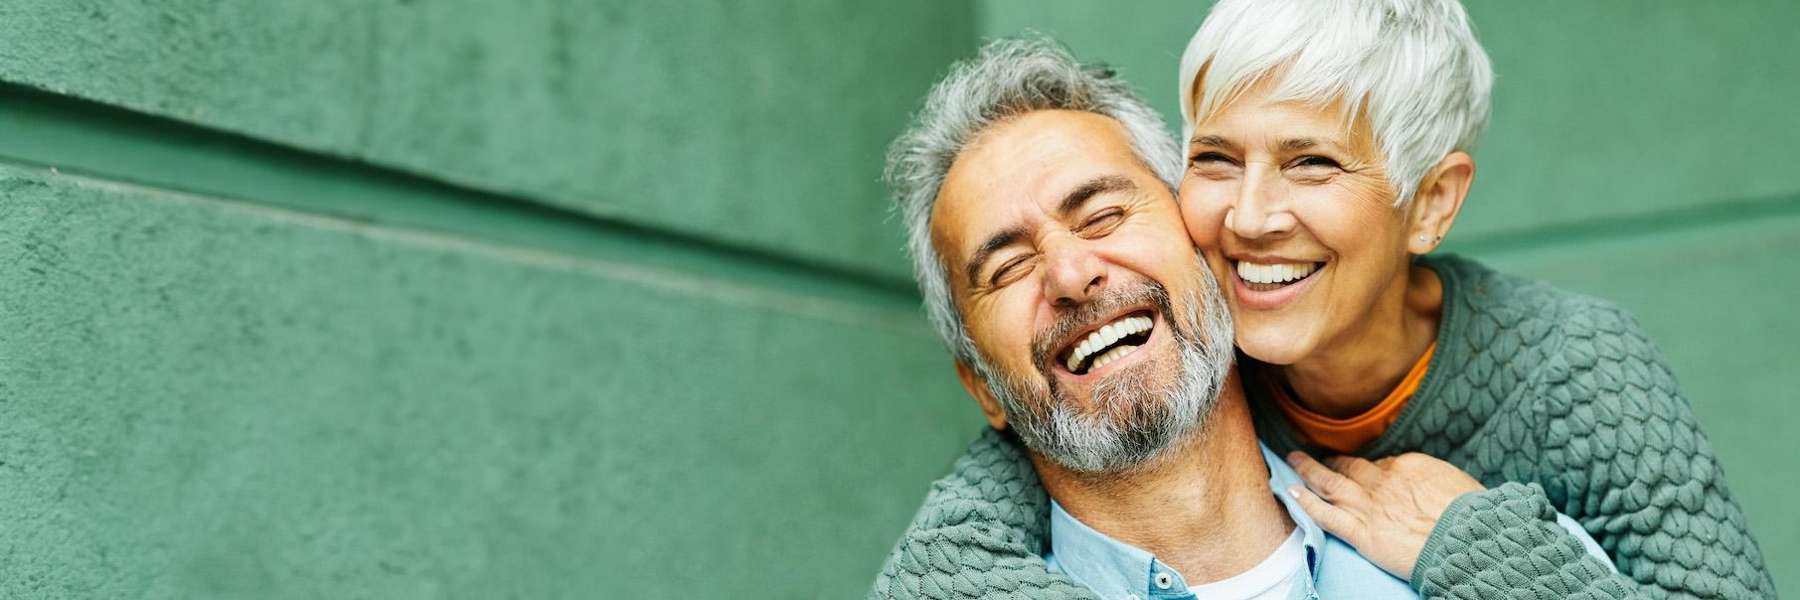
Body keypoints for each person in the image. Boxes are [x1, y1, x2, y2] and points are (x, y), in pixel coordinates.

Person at [875, 1, 1776, 599]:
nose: (1253, 217)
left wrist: (1475, 550)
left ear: (1430, 203)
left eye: (1312, 162)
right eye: (1218, 161)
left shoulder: (1568, 379)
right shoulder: (1109, 403)